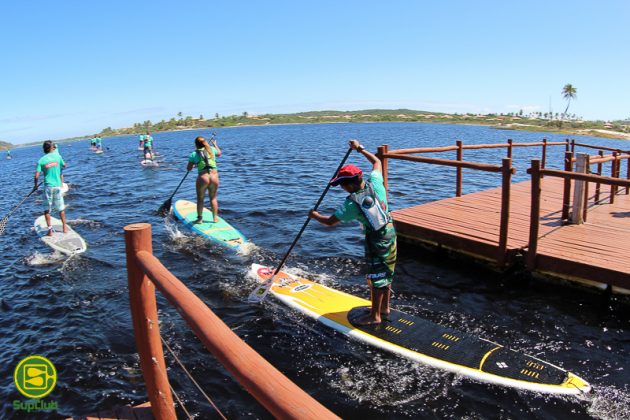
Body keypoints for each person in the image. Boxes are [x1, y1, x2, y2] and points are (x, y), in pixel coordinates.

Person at [309, 139, 397, 325]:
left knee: (376, 276)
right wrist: (360, 149)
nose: (342, 188)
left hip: (376, 241)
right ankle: (384, 307)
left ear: (348, 185)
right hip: (390, 233)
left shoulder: (351, 204)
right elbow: (377, 162)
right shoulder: (375, 183)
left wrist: (314, 215)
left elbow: (330, 222)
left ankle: (375, 316)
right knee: (386, 271)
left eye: (342, 185)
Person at [34, 140, 68, 236]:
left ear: (44, 149)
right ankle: (64, 227)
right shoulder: (58, 157)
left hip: (48, 187)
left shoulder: (41, 161)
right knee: (61, 209)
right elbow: (64, 165)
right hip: (57, 187)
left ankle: (50, 231)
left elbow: (36, 176)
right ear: (52, 148)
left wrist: (35, 186)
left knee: (46, 210)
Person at [186, 135, 221, 223]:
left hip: (203, 177)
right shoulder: (211, 149)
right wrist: (215, 144)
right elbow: (219, 153)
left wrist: (194, 165)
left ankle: (199, 219)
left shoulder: (194, 154)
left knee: (200, 198)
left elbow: (188, 169)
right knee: (213, 198)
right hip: (214, 176)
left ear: (196, 145)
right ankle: (215, 218)